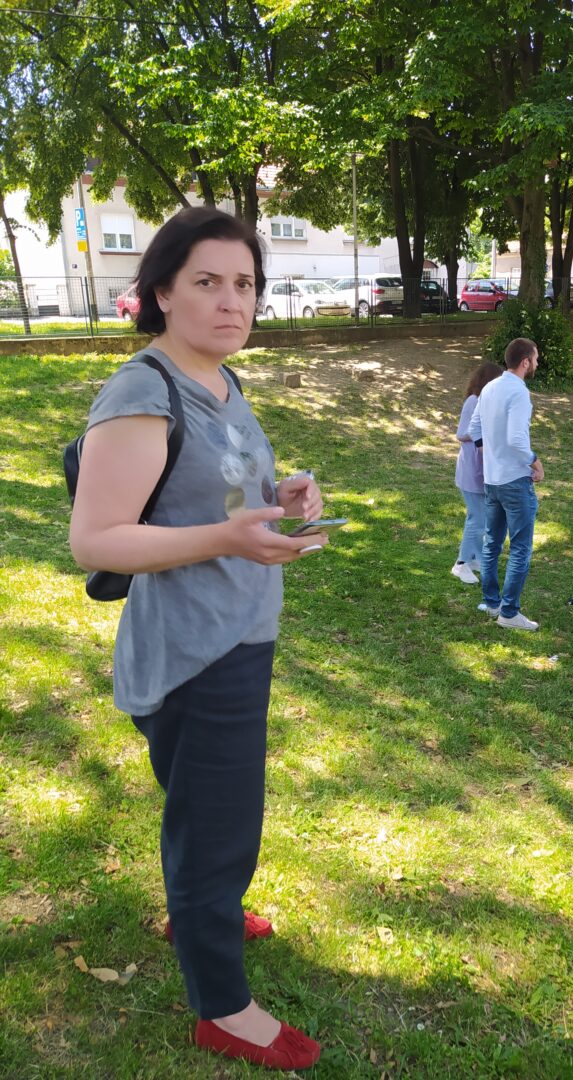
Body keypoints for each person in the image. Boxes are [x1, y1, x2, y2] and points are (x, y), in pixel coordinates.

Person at [68, 208, 324, 1071]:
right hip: (195, 655)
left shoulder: (220, 381)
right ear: (163, 292)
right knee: (218, 824)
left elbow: (219, 495)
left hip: (237, 634)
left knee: (211, 814)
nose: (231, 301)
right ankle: (223, 1008)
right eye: (207, 282)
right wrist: (227, 539)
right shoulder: (145, 392)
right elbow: (95, 540)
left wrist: (282, 495)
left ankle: (202, 909)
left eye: (245, 283)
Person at [468, 338, 544, 630]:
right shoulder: (519, 392)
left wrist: (489, 455)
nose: (537, 363)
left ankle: (492, 603)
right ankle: (509, 613)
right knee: (520, 547)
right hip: (514, 481)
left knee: (492, 544)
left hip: (493, 480)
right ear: (525, 362)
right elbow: (516, 439)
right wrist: (534, 461)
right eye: (535, 358)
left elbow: (474, 428)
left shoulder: (489, 387)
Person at [451, 362, 502, 584]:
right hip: (471, 468)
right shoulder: (473, 401)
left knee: (479, 517)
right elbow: (462, 433)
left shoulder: (485, 402)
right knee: (478, 518)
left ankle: (474, 559)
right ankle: (461, 564)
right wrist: (484, 433)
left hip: (481, 468)